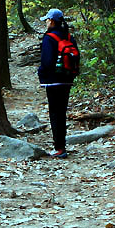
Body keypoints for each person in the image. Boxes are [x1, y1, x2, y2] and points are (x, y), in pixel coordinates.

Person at [37, 8, 78, 158]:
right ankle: (62, 145)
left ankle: (59, 148)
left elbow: (46, 61)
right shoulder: (68, 36)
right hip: (67, 80)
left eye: (47, 20)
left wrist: (41, 74)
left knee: (55, 114)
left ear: (52, 21)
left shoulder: (49, 38)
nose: (46, 22)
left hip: (53, 81)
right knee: (62, 113)